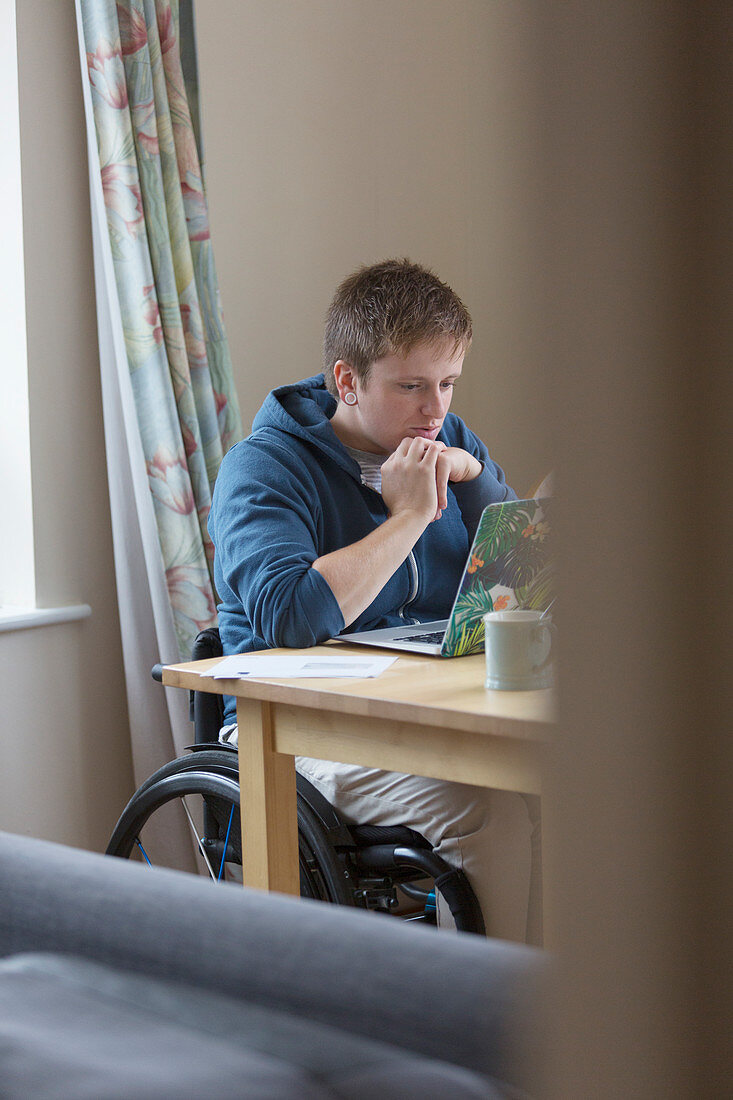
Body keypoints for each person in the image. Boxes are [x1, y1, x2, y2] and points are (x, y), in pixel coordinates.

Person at [208, 259, 541, 943]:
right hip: (299, 728)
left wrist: (473, 475)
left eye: (448, 383)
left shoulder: (445, 441)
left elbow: (511, 581)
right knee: (488, 810)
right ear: (347, 380)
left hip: (425, 707)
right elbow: (291, 617)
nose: (436, 410)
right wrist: (408, 517)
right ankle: (483, 1023)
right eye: (411, 386)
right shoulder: (263, 467)